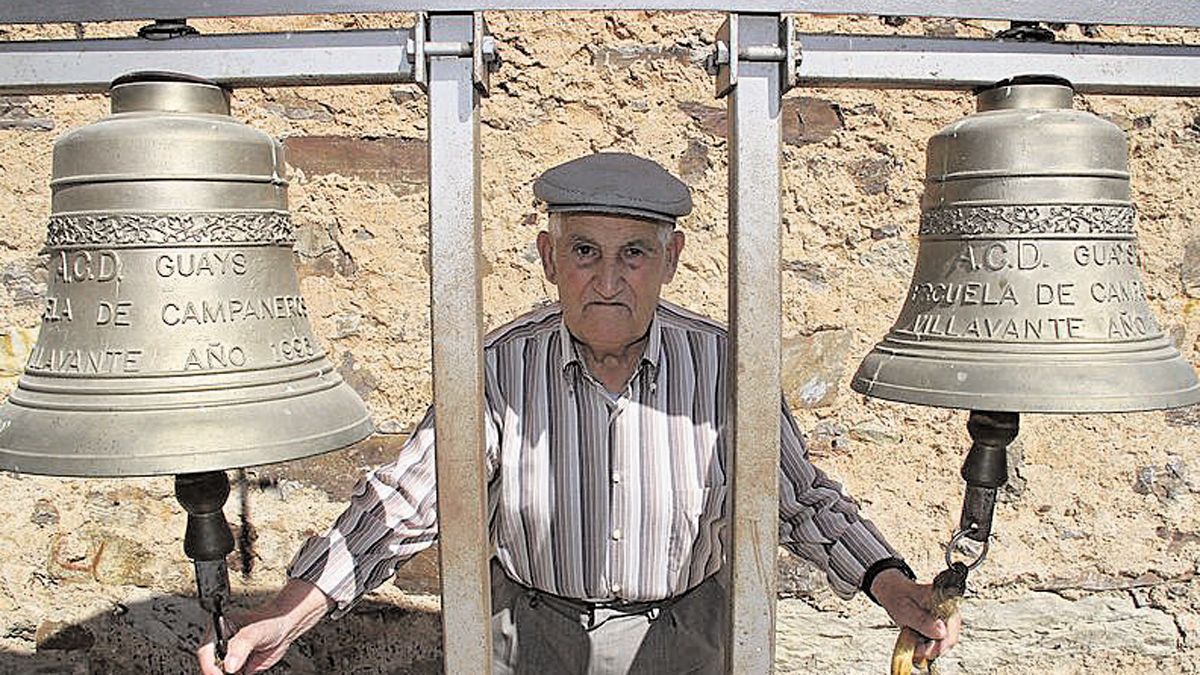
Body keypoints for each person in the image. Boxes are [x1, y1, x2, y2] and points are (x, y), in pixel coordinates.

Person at [196, 152, 961, 674]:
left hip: (685, 638)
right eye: (585, 250)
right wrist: (289, 612)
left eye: (634, 253)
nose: (608, 278)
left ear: (671, 259)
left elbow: (799, 500)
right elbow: (403, 506)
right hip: (533, 639)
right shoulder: (498, 365)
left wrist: (893, 586)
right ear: (546, 256)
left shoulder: (728, 364)